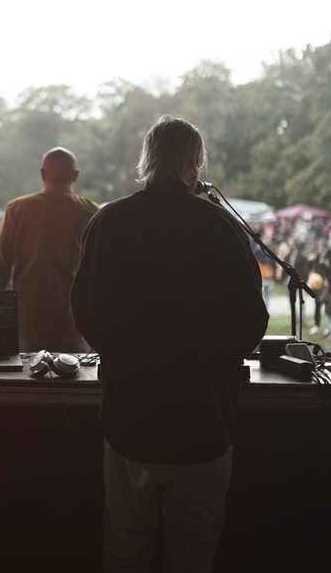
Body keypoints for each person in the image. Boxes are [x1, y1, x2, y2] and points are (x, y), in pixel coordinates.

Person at [70, 116, 269, 572]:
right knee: (192, 554)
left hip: (129, 419)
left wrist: (124, 352)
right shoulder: (222, 228)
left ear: (147, 160)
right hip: (204, 422)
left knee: (126, 549)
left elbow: (84, 311)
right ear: (195, 162)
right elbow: (251, 324)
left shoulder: (109, 222)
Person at [0, 146, 99, 353]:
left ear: (42, 174)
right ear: (75, 176)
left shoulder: (18, 210)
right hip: (73, 323)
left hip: (26, 322)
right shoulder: (90, 212)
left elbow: (0, 270)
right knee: (73, 381)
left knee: (26, 382)